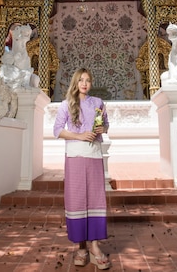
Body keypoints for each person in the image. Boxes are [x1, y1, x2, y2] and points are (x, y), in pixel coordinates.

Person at [53, 68, 111, 269]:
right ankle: (81, 247)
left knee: (95, 198)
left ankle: (95, 246)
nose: (84, 84)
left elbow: (106, 125)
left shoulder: (98, 103)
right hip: (75, 156)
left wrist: (102, 129)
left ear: (91, 83)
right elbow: (57, 130)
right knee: (77, 199)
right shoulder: (65, 105)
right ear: (75, 83)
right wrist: (79, 135)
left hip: (94, 155)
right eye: (81, 80)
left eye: (87, 80)